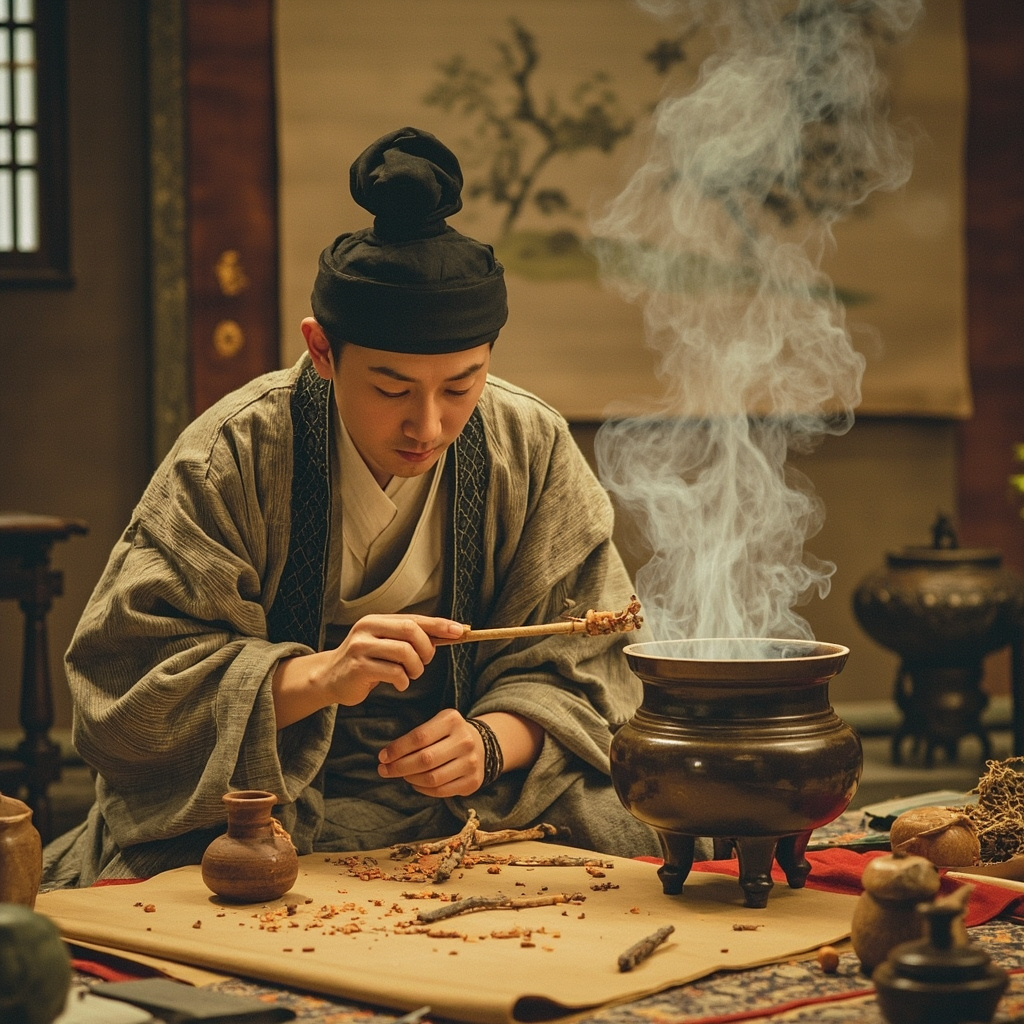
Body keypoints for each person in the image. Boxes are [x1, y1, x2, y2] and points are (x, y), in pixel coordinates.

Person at [42, 126, 663, 889]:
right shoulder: (235, 452)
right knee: (197, 871)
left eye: (461, 387)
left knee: (642, 834)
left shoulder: (527, 444)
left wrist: (493, 740)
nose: (428, 426)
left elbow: (590, 666)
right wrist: (321, 677)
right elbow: (127, 685)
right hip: (278, 795)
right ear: (322, 349)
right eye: (393, 388)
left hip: (470, 796)